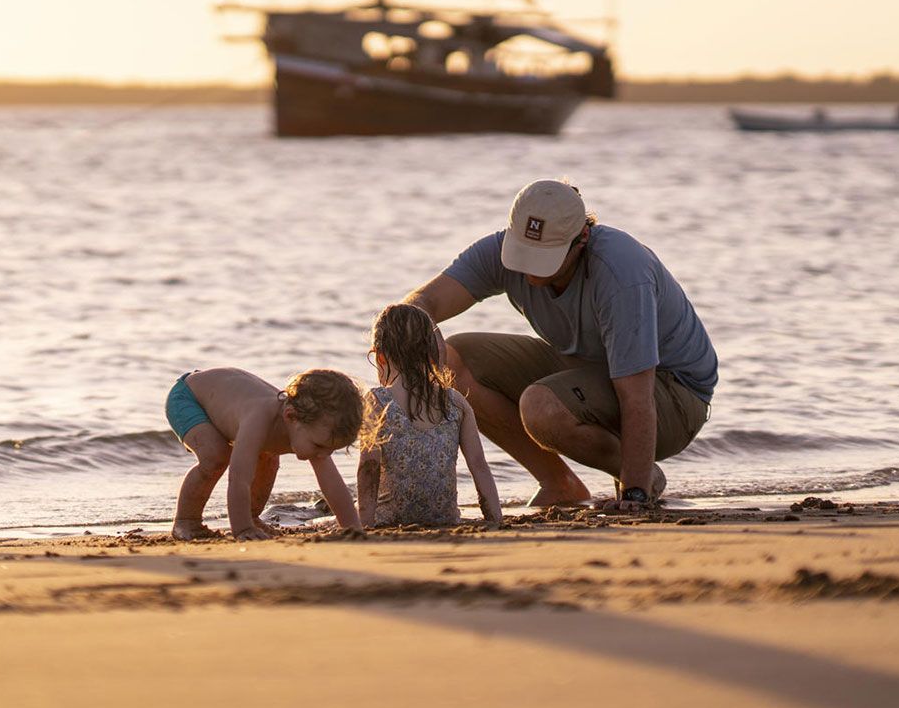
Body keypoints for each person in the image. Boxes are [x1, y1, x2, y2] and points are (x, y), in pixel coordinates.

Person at [405, 179, 718, 514]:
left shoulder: (621, 271)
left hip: (674, 393)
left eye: (544, 258)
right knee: (454, 358)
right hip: (591, 368)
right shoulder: (498, 251)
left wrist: (635, 490)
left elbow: (637, 396)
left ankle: (642, 476)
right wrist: (423, 326)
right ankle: (559, 485)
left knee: (541, 407)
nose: (528, 268)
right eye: (523, 251)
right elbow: (422, 301)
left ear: (581, 238)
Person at [165, 368, 365, 540]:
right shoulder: (259, 417)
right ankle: (186, 520)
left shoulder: (311, 429)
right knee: (216, 456)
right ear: (291, 417)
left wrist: (352, 528)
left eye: (332, 449)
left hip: (219, 395)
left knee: (268, 458)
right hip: (189, 397)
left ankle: (252, 516)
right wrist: (241, 528)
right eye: (319, 446)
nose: (324, 454)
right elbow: (239, 478)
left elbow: (332, 485)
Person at [356, 303, 502, 529]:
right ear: (431, 353)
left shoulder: (376, 401)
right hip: (445, 518)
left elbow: (369, 467)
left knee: (321, 516)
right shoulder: (455, 402)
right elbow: (478, 465)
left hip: (390, 519)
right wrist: (495, 520)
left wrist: (364, 524)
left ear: (380, 358)